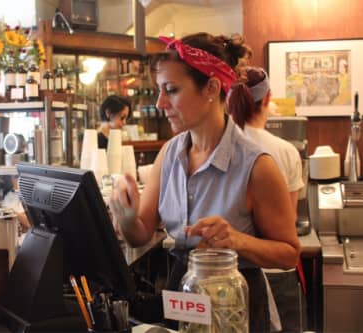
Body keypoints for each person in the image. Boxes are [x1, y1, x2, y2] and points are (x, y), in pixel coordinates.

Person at [109, 33, 300, 332]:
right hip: (181, 294)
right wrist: (127, 216)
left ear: (211, 87)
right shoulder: (169, 154)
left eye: (171, 90)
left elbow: (289, 253)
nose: (160, 103)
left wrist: (236, 240)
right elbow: (140, 234)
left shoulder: (256, 166)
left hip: (236, 305)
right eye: (160, 91)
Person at [228, 66, 306, 332]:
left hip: (229, 277)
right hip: (274, 272)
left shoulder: (219, 145)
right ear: (268, 98)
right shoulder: (285, 151)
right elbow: (290, 219)